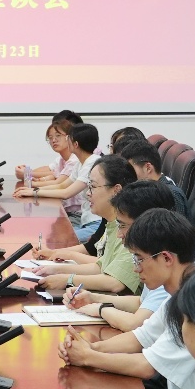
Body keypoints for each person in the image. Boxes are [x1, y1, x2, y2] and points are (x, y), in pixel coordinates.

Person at [61, 208, 195, 389]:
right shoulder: (180, 292)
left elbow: (147, 366)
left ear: (166, 258)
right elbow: (140, 337)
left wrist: (87, 357)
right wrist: (90, 347)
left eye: (139, 259)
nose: (135, 269)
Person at [62, 182, 177, 323]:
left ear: (145, 221)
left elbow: (135, 323)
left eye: (122, 226)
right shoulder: (155, 253)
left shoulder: (165, 263)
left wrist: (101, 309)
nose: (119, 234)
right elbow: (141, 302)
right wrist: (93, 298)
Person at [33, 156, 140, 294]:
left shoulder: (130, 227)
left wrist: (68, 279)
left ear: (116, 190)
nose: (88, 194)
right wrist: (55, 269)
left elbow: (115, 282)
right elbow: (100, 266)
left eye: (93, 187)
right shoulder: (112, 223)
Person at [18, 122, 101, 241]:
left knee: (61, 240)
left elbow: (66, 193)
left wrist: (34, 192)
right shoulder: (81, 162)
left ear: (76, 144)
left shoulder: (92, 163)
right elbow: (62, 185)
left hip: (95, 224)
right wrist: (33, 190)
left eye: (68, 138)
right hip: (86, 221)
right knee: (53, 236)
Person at [118, 139, 189, 212]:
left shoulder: (172, 195)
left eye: (131, 169)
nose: (128, 174)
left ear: (148, 168)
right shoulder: (146, 192)